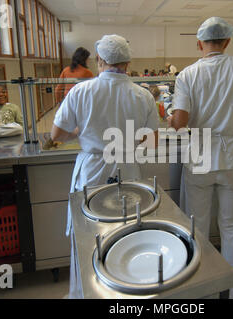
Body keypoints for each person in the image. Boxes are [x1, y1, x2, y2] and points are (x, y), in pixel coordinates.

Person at [167, 17, 233, 299]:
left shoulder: (188, 74)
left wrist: (167, 116)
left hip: (201, 155)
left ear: (199, 43)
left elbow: (180, 121)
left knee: (198, 229)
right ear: (227, 42)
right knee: (231, 230)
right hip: (232, 157)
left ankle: (203, 294)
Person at [51, 34, 159, 299]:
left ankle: (84, 293)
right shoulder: (142, 95)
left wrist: (82, 132)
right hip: (128, 169)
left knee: (88, 237)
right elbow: (151, 140)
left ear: (99, 60)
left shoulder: (81, 90)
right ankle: (123, 293)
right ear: (128, 62)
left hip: (92, 172)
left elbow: (56, 134)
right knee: (125, 234)